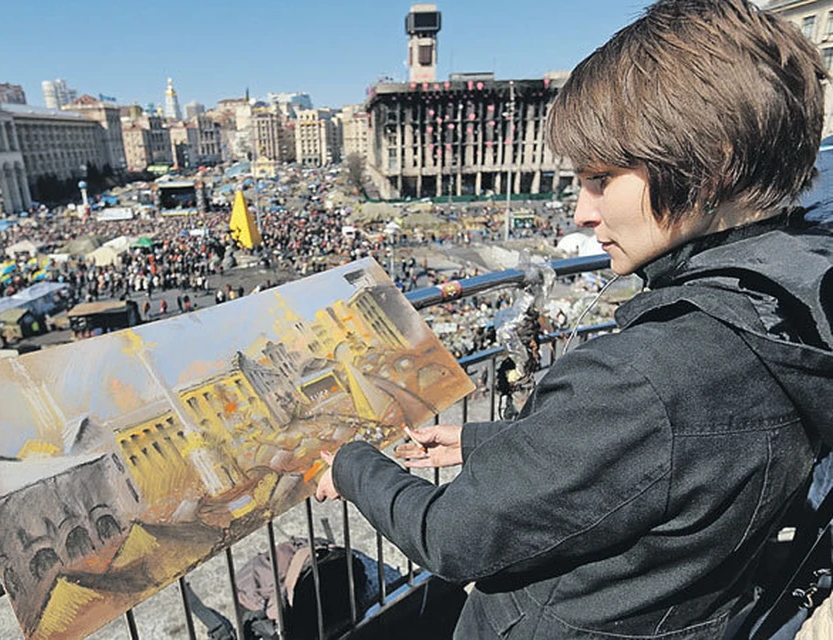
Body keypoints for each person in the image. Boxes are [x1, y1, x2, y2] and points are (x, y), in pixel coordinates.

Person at [316, 1, 832, 638]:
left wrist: (349, 461)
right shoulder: (795, 298)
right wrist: (482, 443)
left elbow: (452, 538)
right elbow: (654, 461)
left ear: (710, 164)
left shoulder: (650, 374)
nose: (582, 213)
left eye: (599, 178)